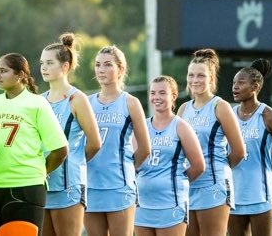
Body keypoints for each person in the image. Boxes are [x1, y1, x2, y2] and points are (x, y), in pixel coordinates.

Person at [0, 53, 70, 232]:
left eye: (4, 71)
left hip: (26, 188)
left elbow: (60, 150)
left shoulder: (38, 104)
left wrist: (40, 173)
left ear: (21, 74)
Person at [39, 33, 103, 236]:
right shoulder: (39, 100)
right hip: (42, 185)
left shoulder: (77, 99)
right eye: (42, 63)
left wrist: (73, 162)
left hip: (69, 185)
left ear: (65, 66)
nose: (44, 68)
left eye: (49, 63)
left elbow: (95, 143)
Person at [177, 48, 245, 236]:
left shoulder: (220, 106)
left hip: (213, 186)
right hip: (188, 186)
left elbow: (239, 151)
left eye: (201, 75)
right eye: (191, 75)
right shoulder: (183, 109)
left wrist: (218, 169)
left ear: (211, 79)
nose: (195, 80)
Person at [86, 46, 151, 236]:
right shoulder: (87, 102)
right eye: (98, 65)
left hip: (119, 187)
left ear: (120, 69)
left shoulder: (130, 102)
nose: (101, 70)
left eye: (107, 65)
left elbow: (145, 148)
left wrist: (125, 170)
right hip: (91, 186)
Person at [228, 59, 272, 236]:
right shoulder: (229, 114)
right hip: (234, 193)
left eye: (241, 83)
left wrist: (269, 176)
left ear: (255, 86)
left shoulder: (269, 116)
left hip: (261, 194)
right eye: (234, 83)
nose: (235, 87)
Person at [134, 76, 205, 236]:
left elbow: (198, 165)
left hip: (170, 204)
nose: (156, 97)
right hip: (142, 204)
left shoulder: (181, 126)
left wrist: (176, 180)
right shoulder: (142, 126)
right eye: (153, 93)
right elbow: (133, 162)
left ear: (173, 96)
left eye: (162, 93)